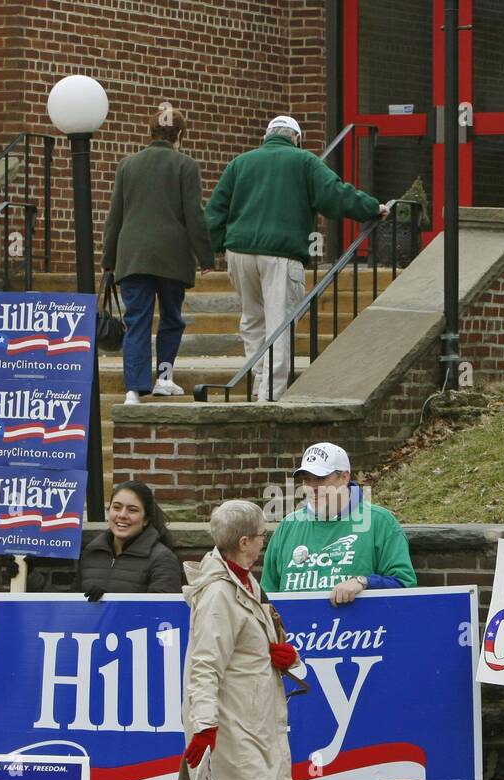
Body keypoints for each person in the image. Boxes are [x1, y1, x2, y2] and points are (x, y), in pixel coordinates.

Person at [136, 499, 333, 780]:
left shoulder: (240, 582)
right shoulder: (221, 593)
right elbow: (204, 664)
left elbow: (242, 652)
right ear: (245, 543)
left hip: (251, 719)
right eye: (261, 534)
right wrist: (205, 724)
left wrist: (283, 658)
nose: (265, 540)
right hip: (233, 725)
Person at [204, 115, 388, 401]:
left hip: (239, 253)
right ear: (296, 138)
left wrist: (211, 251)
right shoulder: (304, 161)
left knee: (252, 321)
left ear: (265, 137)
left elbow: (215, 211)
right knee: (279, 324)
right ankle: (271, 395)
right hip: (280, 254)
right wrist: (371, 208)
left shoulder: (240, 163)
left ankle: (258, 385)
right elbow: (335, 195)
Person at [101, 106, 216, 406]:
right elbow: (194, 214)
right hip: (172, 257)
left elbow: (115, 216)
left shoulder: (127, 165)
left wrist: (108, 259)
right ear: (179, 134)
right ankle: (164, 378)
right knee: (171, 319)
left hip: (133, 255)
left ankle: (133, 389)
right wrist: (206, 257)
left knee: (137, 320)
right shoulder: (186, 165)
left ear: (151, 132)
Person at [261, 442, 416, 602]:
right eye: (307, 480)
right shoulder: (288, 526)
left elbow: (405, 585)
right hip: (295, 627)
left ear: (344, 477)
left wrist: (364, 583)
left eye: (321, 479)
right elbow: (266, 597)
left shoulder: (380, 522)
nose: (313, 487)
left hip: (359, 627)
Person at [77, 481, 183, 598]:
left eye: (132, 510)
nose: (122, 515)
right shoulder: (90, 552)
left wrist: (110, 602)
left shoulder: (162, 559)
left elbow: (161, 612)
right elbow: (70, 607)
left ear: (146, 519)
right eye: (116, 507)